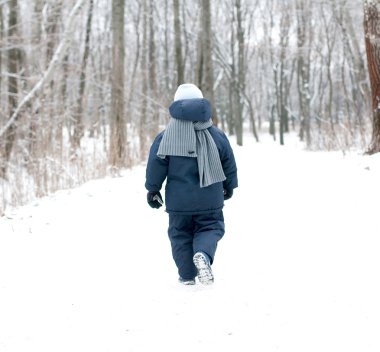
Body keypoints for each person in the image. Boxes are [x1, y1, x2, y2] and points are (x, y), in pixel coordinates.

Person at [145, 83, 238, 285]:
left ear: (176, 105)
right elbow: (229, 162)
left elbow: (156, 164)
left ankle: (187, 275)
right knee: (211, 227)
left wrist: (153, 189)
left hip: (179, 201)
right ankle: (203, 254)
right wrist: (230, 185)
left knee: (180, 235)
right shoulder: (216, 135)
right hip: (210, 196)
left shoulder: (166, 137)